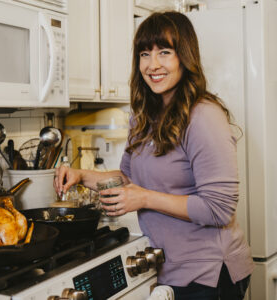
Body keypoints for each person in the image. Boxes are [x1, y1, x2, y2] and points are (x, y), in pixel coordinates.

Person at [54, 11, 253, 300]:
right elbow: (128, 178)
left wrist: (144, 198)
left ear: (184, 57)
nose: (153, 64)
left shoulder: (203, 116)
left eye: (165, 52)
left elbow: (218, 208)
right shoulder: (144, 116)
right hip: (168, 267)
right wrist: (82, 176)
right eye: (145, 54)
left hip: (210, 274)